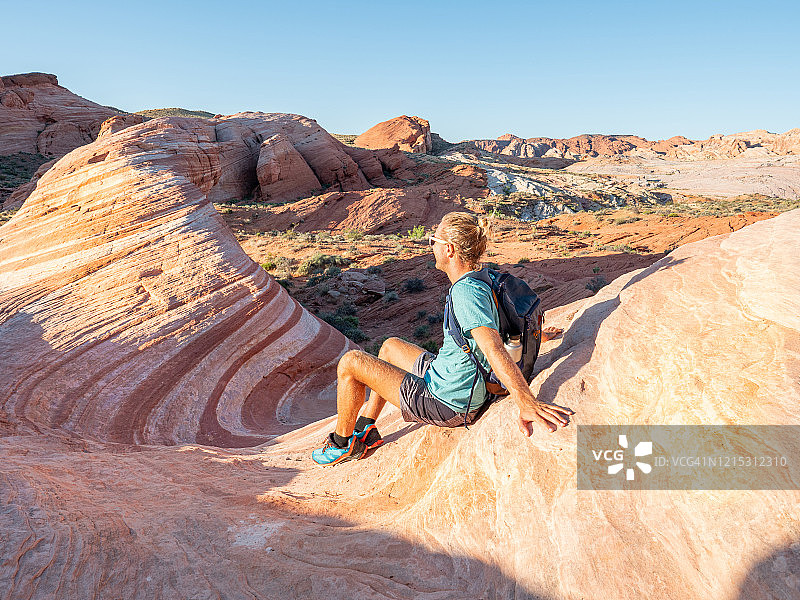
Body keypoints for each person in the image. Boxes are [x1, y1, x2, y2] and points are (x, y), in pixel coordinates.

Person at [312, 211, 574, 466]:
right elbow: (502, 324)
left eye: (433, 241)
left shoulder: (465, 292)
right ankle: (366, 428)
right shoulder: (483, 278)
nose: (431, 247)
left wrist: (525, 400)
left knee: (350, 362)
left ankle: (342, 443)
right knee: (390, 347)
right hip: (446, 374)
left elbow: (492, 347)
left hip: (447, 401)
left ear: (449, 249)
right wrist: (538, 337)